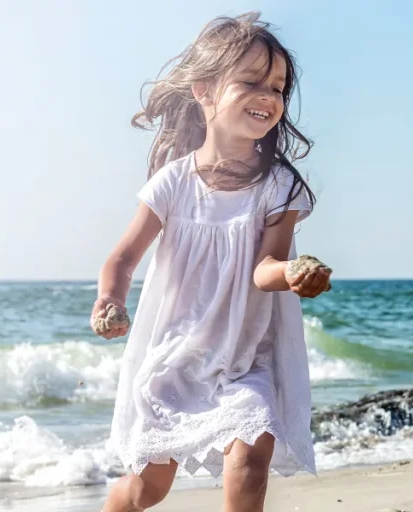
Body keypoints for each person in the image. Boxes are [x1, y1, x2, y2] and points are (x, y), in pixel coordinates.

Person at [91, 11, 331, 512]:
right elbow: (123, 257)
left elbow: (264, 269)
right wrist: (109, 300)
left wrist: (290, 274)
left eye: (279, 87)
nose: (269, 96)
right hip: (175, 357)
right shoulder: (174, 182)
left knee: (251, 455)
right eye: (251, 82)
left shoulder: (280, 187)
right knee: (145, 490)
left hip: (245, 360)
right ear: (204, 91)